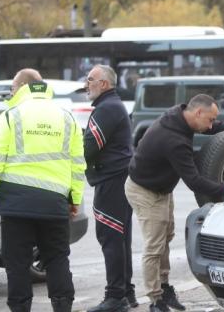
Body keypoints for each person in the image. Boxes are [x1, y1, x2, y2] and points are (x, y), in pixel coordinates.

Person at [0, 69, 85, 312]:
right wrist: (74, 198)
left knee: (17, 264)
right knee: (57, 259)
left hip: (17, 206)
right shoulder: (66, 117)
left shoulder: (11, 116)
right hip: (54, 204)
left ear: (23, 87)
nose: (10, 93)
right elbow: (77, 164)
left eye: (12, 88)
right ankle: (63, 307)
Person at [124, 94, 224, 312]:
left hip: (161, 187)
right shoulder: (174, 140)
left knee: (166, 237)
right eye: (209, 120)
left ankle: (165, 287)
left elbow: (211, 125)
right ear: (198, 112)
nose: (210, 126)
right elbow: (195, 182)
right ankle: (155, 300)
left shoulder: (180, 115)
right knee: (154, 246)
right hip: (144, 190)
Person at [83, 65, 137, 312]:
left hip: (112, 181)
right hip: (120, 179)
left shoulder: (107, 108)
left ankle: (115, 297)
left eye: (90, 79)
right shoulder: (113, 105)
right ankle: (126, 292)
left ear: (104, 84)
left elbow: (89, 147)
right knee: (120, 237)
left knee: (111, 237)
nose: (86, 84)